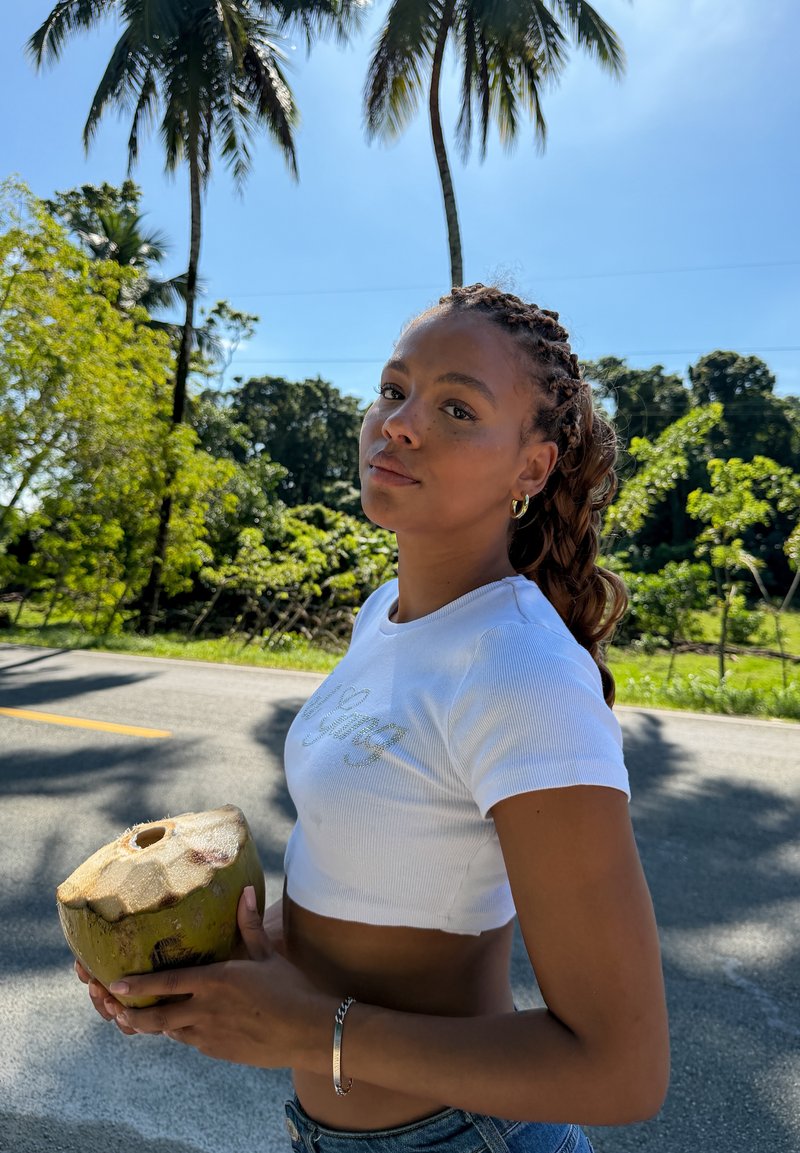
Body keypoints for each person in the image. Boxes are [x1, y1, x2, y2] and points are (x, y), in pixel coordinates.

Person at [78, 284, 669, 1153]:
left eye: (457, 407)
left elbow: (621, 1069)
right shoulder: (387, 609)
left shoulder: (524, 670)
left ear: (531, 468)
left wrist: (311, 1031)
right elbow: (381, 898)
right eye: (395, 389)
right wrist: (196, 972)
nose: (399, 422)